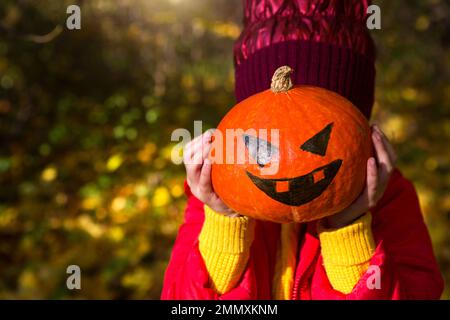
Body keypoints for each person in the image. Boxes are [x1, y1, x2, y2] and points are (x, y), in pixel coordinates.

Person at [161, 0, 443, 299]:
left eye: (318, 136)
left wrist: (347, 227)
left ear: (360, 122)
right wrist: (224, 219)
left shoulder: (390, 197)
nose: (290, 159)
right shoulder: (213, 197)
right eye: (266, 142)